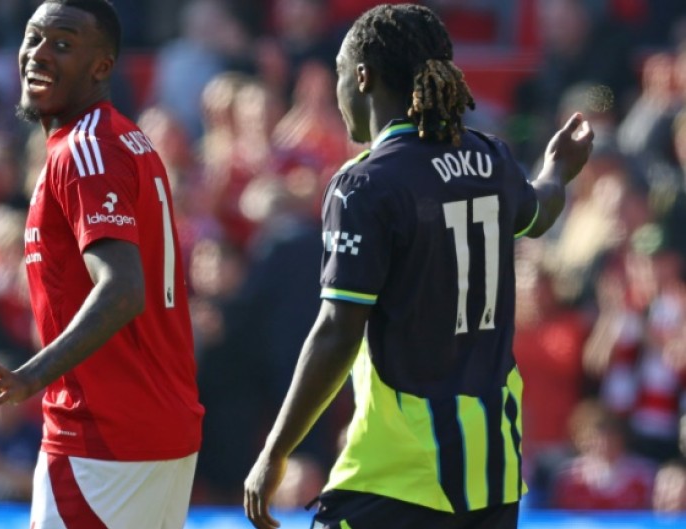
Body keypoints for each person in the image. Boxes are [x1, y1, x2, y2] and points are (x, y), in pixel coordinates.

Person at [243, 4, 594, 529]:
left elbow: (338, 330)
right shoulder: (491, 159)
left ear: (362, 76)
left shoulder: (366, 183)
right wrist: (558, 170)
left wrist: (275, 451)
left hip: (398, 473)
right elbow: (539, 211)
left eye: (340, 73)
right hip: (491, 473)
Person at [0, 1, 204, 528]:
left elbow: (122, 288)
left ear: (103, 67)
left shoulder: (85, 150)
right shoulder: (117, 139)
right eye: (33, 38)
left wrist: (30, 377)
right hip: (151, 428)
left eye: (63, 44)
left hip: (103, 439)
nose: (38, 55)